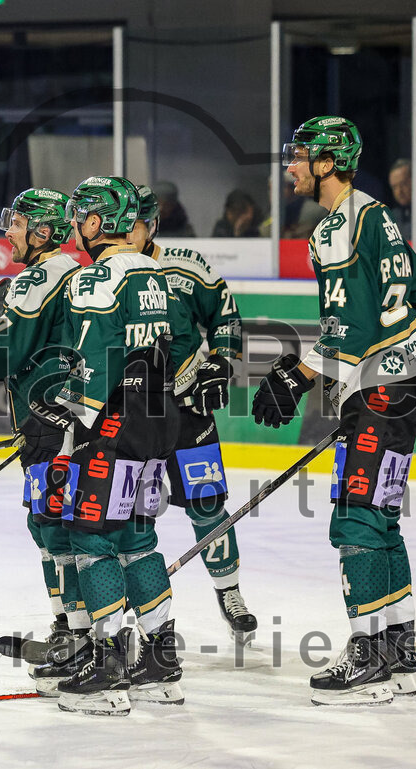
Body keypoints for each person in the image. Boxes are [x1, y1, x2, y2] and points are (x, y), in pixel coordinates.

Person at [252, 116, 416, 705]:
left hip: (382, 394)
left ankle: (367, 656)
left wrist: (297, 372)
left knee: (356, 519)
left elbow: (351, 327)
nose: (290, 165)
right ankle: (398, 647)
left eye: (299, 156)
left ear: (328, 164)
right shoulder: (378, 214)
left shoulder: (335, 228)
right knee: (380, 516)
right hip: (407, 388)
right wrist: (405, 356)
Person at [49, 176, 182, 715]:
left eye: (82, 216)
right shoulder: (154, 270)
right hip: (158, 416)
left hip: (113, 423)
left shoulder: (93, 279)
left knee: (88, 533)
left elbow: (93, 366)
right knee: (137, 538)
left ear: (99, 222)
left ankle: (108, 666)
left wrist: (68, 428)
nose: (77, 227)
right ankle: (161, 659)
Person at [0, 188, 87, 658]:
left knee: (57, 524)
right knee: (48, 522)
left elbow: (1, 354)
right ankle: (73, 626)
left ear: (43, 232)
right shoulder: (63, 272)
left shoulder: (40, 278)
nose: (8, 230)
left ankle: (80, 634)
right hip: (66, 416)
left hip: (54, 420)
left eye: (18, 223)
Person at [130, 184, 258, 641]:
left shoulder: (186, 265)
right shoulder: (103, 273)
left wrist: (221, 361)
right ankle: (138, 599)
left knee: (207, 502)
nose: (128, 232)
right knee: (131, 512)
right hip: (132, 415)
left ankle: (229, 590)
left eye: (137, 223)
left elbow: (225, 315)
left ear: (153, 225)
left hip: (187, 407)